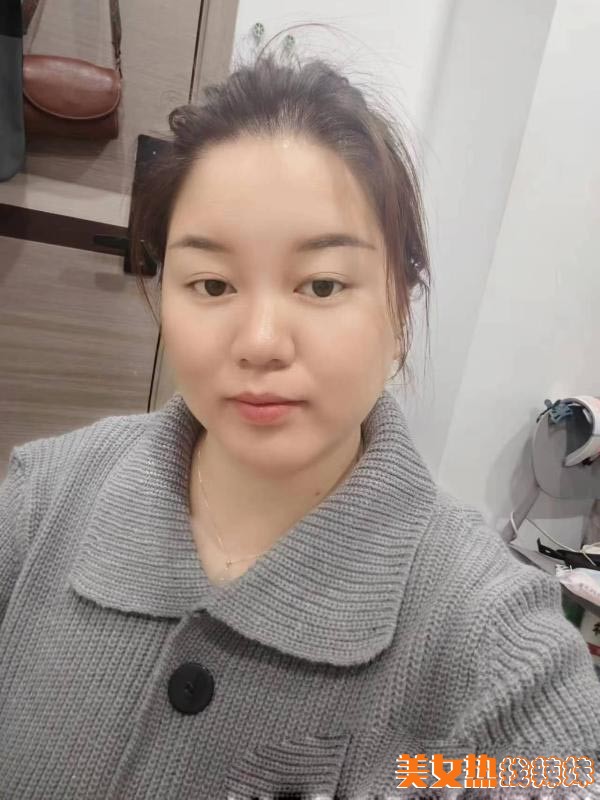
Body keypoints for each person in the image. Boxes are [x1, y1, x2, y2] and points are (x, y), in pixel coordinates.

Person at [1, 27, 599, 800]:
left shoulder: (489, 638)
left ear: (401, 312)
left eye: (321, 285)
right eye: (213, 285)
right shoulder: (43, 498)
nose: (260, 341)